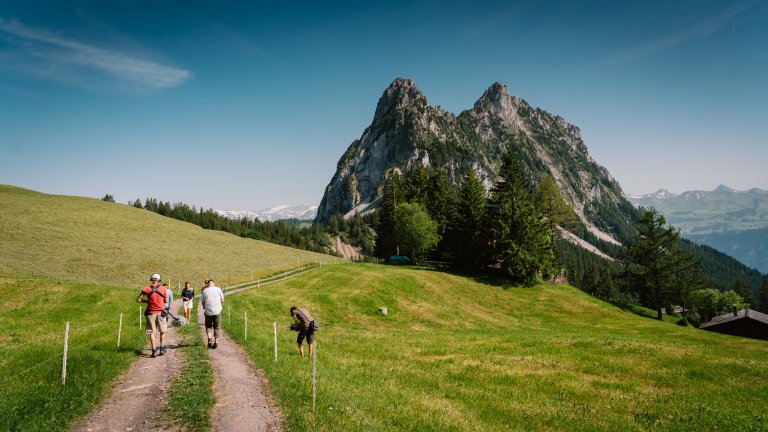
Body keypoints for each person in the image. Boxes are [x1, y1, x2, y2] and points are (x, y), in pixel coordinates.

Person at [136, 273, 169, 358]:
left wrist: (147, 301)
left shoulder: (146, 288)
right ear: (159, 280)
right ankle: (162, 348)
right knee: (163, 331)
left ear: (151, 279)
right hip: (161, 313)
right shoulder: (162, 288)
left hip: (151, 313)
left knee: (152, 332)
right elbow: (166, 301)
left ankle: (154, 350)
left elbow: (138, 300)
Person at [200, 279, 224, 349]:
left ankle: (210, 339)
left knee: (208, 326)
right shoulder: (218, 289)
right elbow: (222, 300)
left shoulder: (204, 291)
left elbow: (203, 303)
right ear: (214, 283)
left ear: (207, 284)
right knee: (217, 327)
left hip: (208, 312)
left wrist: (205, 307)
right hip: (217, 311)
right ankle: (216, 343)